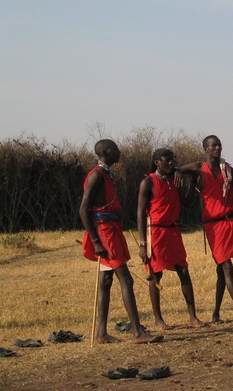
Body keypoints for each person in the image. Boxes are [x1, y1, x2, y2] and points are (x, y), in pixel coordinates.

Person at [80, 139, 162, 344]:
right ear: (105, 152)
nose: (119, 152)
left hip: (111, 229)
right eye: (115, 149)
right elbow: (83, 210)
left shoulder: (105, 174)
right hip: (105, 233)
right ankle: (137, 332)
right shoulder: (96, 176)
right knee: (126, 279)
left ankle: (101, 333)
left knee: (106, 282)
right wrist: (95, 241)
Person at [180, 135, 233, 325]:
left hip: (230, 221)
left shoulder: (227, 169)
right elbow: (178, 170)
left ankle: (216, 313)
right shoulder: (198, 169)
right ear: (205, 148)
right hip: (213, 225)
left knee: (222, 269)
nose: (217, 148)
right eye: (213, 145)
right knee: (226, 266)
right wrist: (190, 183)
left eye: (219, 144)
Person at [136, 148, 205, 330]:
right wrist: (143, 243)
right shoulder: (148, 182)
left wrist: (192, 182)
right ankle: (158, 320)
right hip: (156, 233)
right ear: (157, 162)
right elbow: (140, 214)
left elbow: (187, 202)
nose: (170, 163)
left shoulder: (175, 180)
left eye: (173, 159)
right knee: (155, 276)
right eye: (167, 160)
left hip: (173, 232)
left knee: (184, 271)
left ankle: (193, 317)